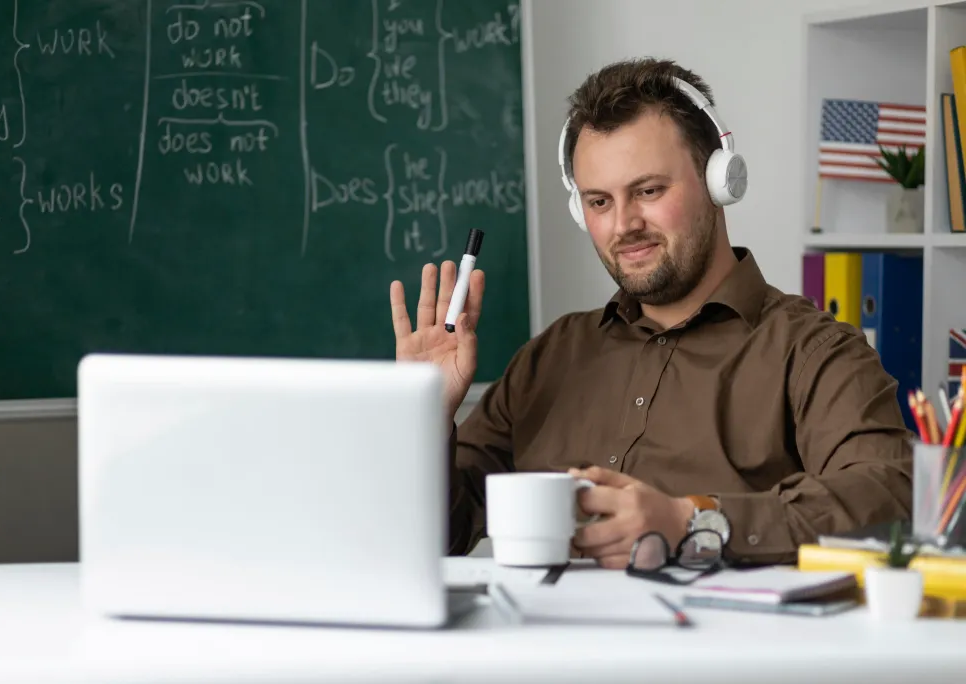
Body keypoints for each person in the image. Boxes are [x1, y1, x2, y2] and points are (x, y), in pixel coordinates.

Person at [388, 57, 913, 568]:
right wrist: (424, 415)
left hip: (711, 652)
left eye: (648, 190)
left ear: (719, 181)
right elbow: (439, 535)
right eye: (599, 202)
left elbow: (889, 496)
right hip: (541, 651)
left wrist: (695, 523)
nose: (624, 225)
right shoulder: (549, 358)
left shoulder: (812, 353)